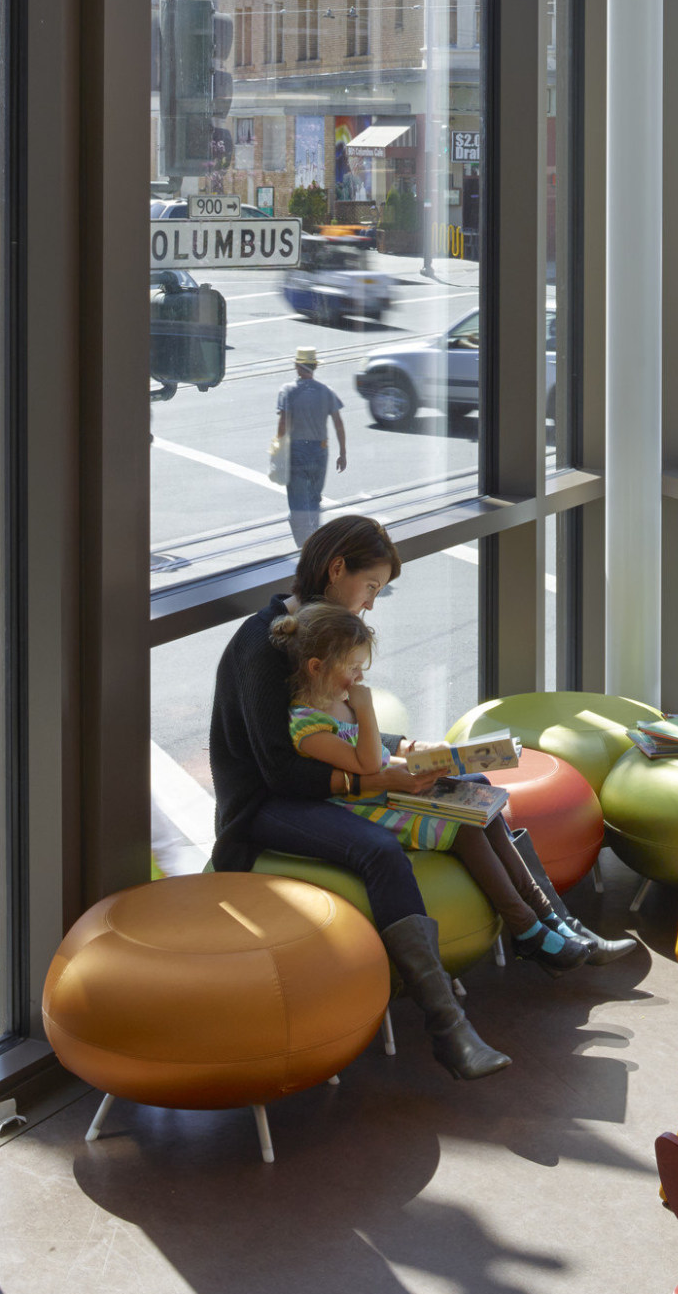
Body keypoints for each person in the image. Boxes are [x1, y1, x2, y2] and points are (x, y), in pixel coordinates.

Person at [204, 512, 635, 1081]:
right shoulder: (263, 645)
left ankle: (552, 928)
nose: (372, 604)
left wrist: (409, 747)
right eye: (371, 587)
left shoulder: (322, 630)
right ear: (337, 570)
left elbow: (334, 723)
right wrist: (379, 779)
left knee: (475, 789)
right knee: (377, 852)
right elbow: (278, 769)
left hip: (326, 780)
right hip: (265, 805)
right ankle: (449, 1028)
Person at [274, 601, 603, 975]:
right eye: (351, 668)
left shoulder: (341, 704)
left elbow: (380, 759)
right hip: (365, 809)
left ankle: (545, 911)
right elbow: (366, 765)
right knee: (463, 822)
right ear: (316, 668)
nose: (358, 679)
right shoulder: (307, 725)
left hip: (389, 792)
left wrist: (429, 765)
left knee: (482, 803)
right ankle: (525, 927)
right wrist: (366, 712)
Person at [275, 348, 347, 547]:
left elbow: (282, 425)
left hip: (296, 451)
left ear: (297, 367)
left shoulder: (288, 391)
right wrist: (342, 453)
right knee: (314, 499)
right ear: (314, 367)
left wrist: (278, 453)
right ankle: (316, 543)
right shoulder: (326, 391)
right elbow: (338, 423)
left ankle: (304, 548)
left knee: (298, 503)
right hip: (320, 451)